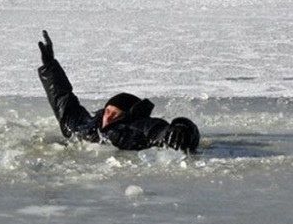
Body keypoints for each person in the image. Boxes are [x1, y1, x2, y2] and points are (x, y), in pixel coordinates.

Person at [37, 30, 200, 152]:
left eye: (115, 114)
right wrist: (50, 67)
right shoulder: (87, 126)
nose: (108, 117)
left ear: (127, 115)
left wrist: (182, 128)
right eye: (108, 111)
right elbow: (64, 101)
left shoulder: (141, 127)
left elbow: (163, 132)